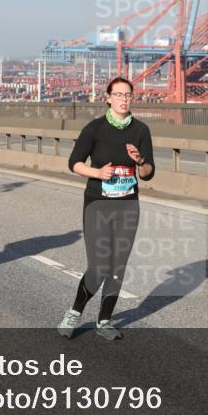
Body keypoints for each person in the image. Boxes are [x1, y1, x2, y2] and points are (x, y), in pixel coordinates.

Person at [57, 77, 155, 341]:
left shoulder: (141, 130)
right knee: (99, 265)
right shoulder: (95, 128)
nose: (124, 99)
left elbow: (148, 174)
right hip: (98, 204)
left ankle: (104, 321)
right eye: (119, 95)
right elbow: (74, 163)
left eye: (128, 95)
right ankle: (74, 312)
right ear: (108, 98)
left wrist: (140, 161)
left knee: (117, 266)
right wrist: (97, 173)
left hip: (127, 206)